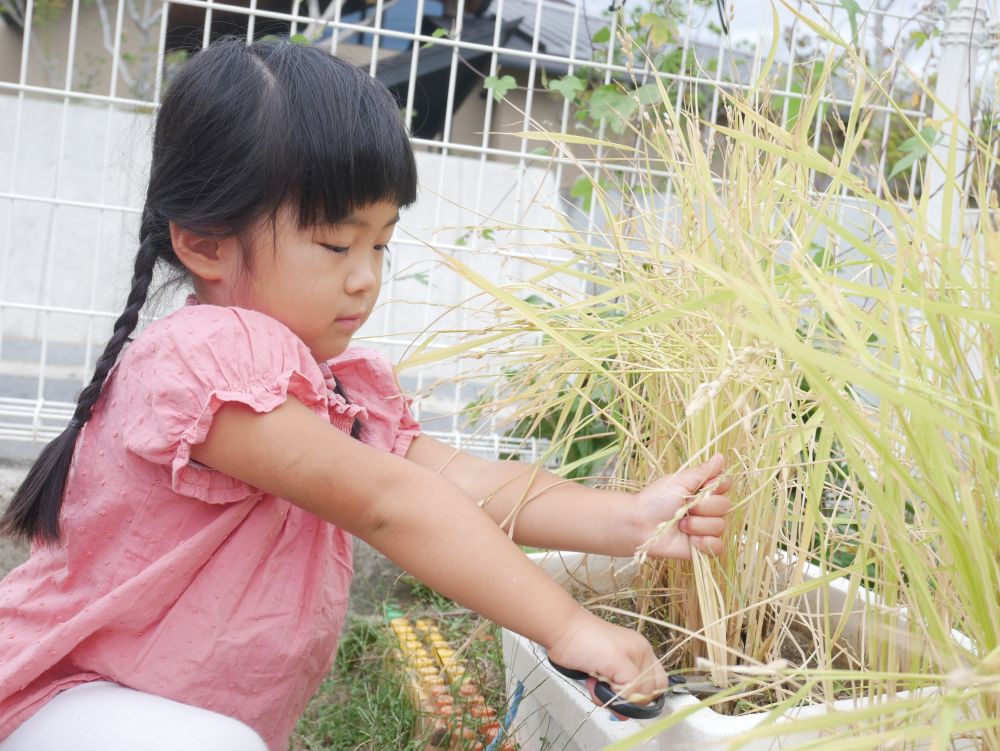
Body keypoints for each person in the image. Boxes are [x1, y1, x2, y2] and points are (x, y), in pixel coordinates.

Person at [0, 39, 732, 751]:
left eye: (380, 243)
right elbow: (393, 502)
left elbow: (468, 483)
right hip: (59, 701)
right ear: (204, 243)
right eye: (335, 243)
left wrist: (627, 518)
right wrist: (570, 628)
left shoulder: (335, 392)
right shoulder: (202, 365)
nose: (365, 277)